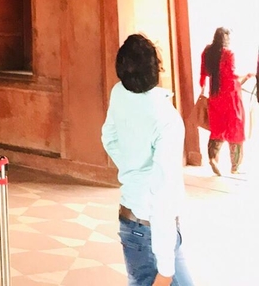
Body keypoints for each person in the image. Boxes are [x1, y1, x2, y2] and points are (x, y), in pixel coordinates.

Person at [102, 33, 194, 286]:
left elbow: (108, 136)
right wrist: (165, 271)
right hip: (152, 228)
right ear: (157, 69)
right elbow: (162, 195)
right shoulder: (167, 119)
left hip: (130, 219)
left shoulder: (118, 93)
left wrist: (133, 168)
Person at [199, 26, 251, 176]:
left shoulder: (207, 52)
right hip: (231, 98)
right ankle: (235, 166)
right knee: (236, 129)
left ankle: (213, 158)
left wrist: (203, 88)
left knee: (217, 129)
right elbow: (231, 74)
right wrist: (246, 76)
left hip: (215, 96)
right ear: (226, 39)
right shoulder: (228, 54)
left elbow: (203, 74)